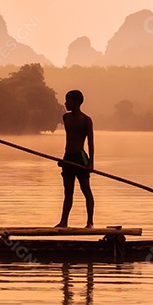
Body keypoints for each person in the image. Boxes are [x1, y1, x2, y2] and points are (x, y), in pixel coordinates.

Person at [55, 90, 94, 228]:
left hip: (80, 157)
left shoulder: (86, 120)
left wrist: (91, 163)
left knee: (86, 190)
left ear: (76, 103)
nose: (65, 103)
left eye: (68, 101)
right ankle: (63, 221)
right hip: (68, 157)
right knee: (68, 192)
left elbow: (90, 142)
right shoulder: (66, 118)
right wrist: (63, 161)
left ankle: (90, 222)